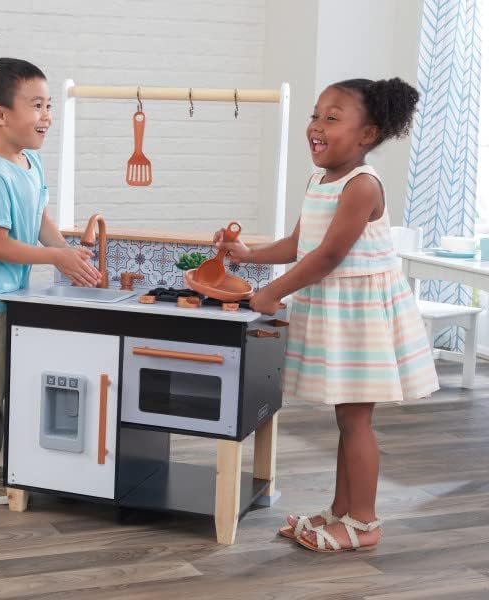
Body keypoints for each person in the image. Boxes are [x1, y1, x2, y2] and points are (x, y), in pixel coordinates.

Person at [214, 78, 439, 552]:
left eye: (331, 119)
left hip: (361, 318)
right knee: (347, 419)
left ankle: (365, 522)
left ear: (367, 135)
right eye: (315, 115)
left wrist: (272, 293)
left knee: (356, 422)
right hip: (339, 312)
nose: (316, 126)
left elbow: (329, 256)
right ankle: (341, 511)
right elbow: (299, 245)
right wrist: (247, 255)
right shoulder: (319, 180)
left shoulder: (362, 186)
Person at [0, 58, 101, 504]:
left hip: (5, 297)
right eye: (37, 105)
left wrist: (67, 253)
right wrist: (56, 256)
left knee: (1, 387)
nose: (47, 116)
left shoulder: (29, 162)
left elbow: (38, 218)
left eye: (48, 105)